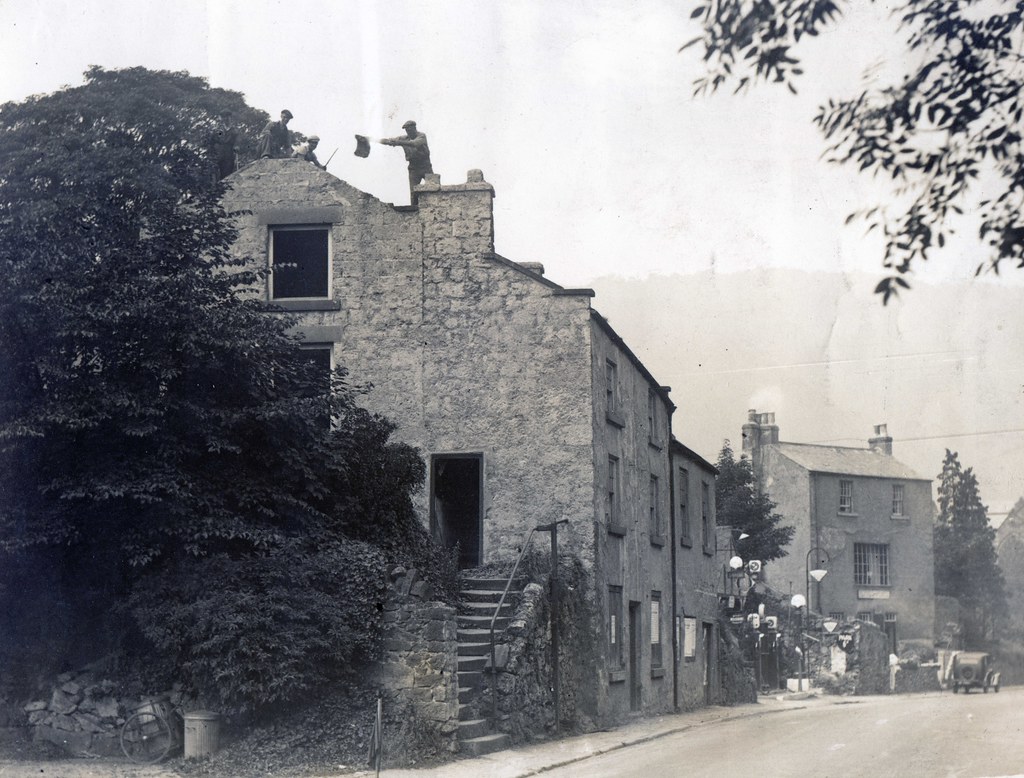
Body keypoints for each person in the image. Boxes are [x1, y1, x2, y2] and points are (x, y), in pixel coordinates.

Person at [380, 120, 433, 192]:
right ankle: (414, 203)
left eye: (409, 129)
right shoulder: (404, 138)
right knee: (413, 192)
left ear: (414, 128)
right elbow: (389, 141)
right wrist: (373, 140)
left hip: (425, 167)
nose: (407, 131)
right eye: (406, 130)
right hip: (413, 168)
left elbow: (414, 143)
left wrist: (399, 142)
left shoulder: (421, 136)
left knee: (433, 187)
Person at [209, 110, 240, 180]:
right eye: (224, 117)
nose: (226, 119)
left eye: (227, 117)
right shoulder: (218, 129)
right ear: (222, 119)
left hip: (229, 153)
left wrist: (236, 146)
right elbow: (212, 141)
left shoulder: (235, 130)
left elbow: (238, 140)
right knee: (217, 174)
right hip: (219, 153)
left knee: (228, 172)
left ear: (230, 118)